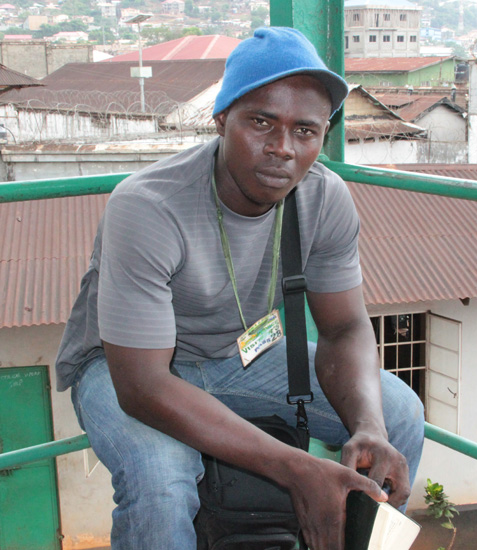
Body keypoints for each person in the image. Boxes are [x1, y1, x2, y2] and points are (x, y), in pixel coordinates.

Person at [55, 27, 424, 550]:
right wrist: (299, 469)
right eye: (261, 122)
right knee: (160, 478)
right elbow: (143, 388)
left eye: (305, 131)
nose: (282, 149)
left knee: (398, 417)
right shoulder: (148, 206)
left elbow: (344, 327)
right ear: (222, 117)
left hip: (239, 356)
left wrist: (368, 426)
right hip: (127, 368)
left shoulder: (323, 198)